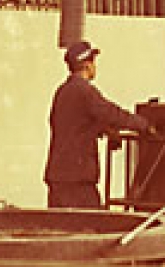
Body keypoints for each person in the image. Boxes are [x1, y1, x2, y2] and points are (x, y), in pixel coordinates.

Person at [44, 39, 150, 208]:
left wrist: (101, 129)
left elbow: (73, 123)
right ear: (87, 65)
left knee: (60, 222)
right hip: (77, 179)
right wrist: (143, 124)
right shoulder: (85, 91)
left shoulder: (62, 92)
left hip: (58, 176)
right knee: (89, 221)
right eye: (93, 62)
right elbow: (111, 113)